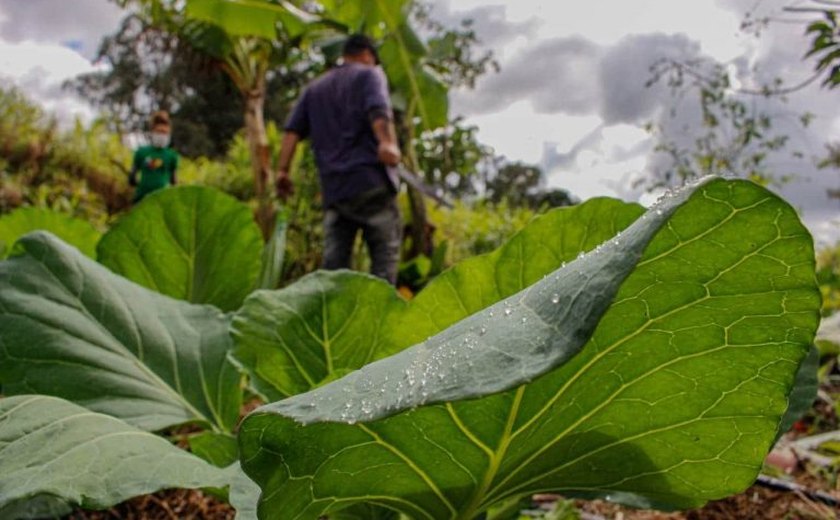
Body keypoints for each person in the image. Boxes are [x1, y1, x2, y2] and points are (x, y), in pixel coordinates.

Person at [275, 34, 403, 285]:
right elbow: (378, 110)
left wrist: (282, 171)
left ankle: (336, 322)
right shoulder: (370, 74)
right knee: (384, 264)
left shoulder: (314, 89)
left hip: (335, 192)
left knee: (334, 272)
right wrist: (388, 143)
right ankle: (383, 321)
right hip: (371, 184)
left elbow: (292, 132)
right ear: (367, 54)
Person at [129, 111, 178, 203]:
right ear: (152, 132)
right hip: (141, 199)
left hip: (163, 200)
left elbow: (174, 181)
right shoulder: (141, 152)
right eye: (159, 132)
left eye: (164, 133)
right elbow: (132, 176)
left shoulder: (172, 156)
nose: (162, 135)